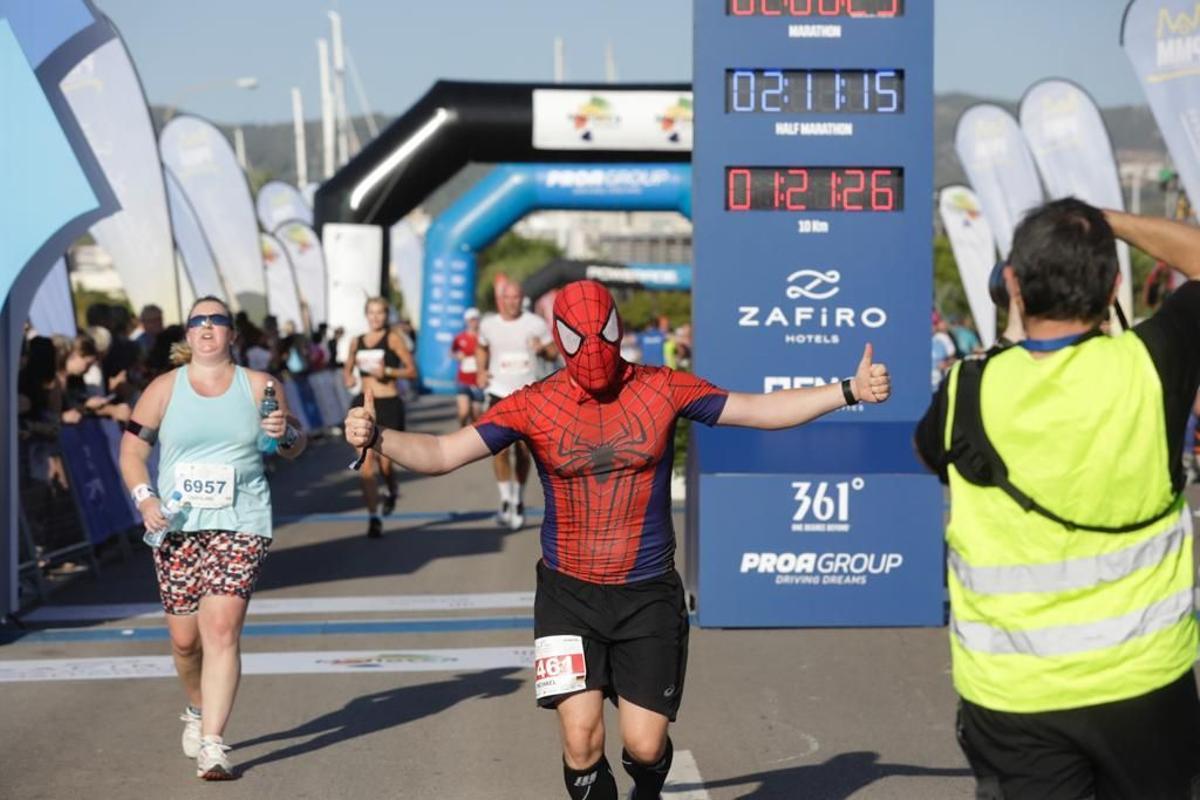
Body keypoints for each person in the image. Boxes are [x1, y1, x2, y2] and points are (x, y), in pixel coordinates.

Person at [346, 279, 891, 800]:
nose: (593, 350)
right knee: (581, 740)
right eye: (579, 339)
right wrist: (379, 436)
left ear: (618, 329)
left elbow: (757, 410)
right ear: (559, 340)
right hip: (568, 595)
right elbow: (443, 454)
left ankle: (648, 787)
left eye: (602, 336)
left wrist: (847, 390)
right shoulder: (532, 403)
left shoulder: (663, 387)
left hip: (647, 594)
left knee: (645, 745)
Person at [915, 199, 1200, 799]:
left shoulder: (967, 390)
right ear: (1114, 283)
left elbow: (928, 456)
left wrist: (1008, 338)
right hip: (1146, 684)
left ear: (1012, 284)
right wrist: (1110, 220)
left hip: (1014, 695)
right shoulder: (1150, 365)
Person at [119, 295, 307, 781]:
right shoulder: (164, 388)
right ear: (187, 334)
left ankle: (213, 744)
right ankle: (198, 708)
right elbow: (131, 451)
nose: (206, 328)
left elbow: (290, 447)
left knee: (221, 628)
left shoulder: (260, 385)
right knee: (185, 641)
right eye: (197, 321)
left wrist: (284, 433)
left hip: (240, 520)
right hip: (177, 525)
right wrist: (145, 499)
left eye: (216, 320)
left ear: (232, 334)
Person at [476, 281, 557, 530]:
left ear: (522, 298)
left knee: (523, 451)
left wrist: (542, 349)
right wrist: (480, 370)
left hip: (527, 394)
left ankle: (519, 499)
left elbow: (554, 352)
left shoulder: (535, 323)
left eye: (517, 297)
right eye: (508, 298)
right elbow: (481, 347)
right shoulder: (488, 324)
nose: (513, 302)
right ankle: (505, 500)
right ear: (500, 299)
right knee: (498, 449)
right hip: (498, 391)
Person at [343, 296, 417, 538]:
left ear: (386, 316)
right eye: (372, 313)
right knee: (366, 465)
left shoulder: (393, 338)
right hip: (364, 405)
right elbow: (348, 368)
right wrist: (349, 378)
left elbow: (411, 371)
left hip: (389, 404)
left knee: (386, 465)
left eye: (380, 313)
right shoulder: (357, 341)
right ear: (366, 315)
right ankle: (373, 517)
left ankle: (392, 490)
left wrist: (386, 370)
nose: (376, 317)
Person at [451, 307, 485, 427]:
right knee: (463, 412)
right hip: (463, 380)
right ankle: (461, 431)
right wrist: (457, 355)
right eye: (471, 320)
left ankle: (472, 440)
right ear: (466, 321)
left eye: (475, 319)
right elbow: (451, 352)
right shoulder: (460, 338)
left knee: (476, 416)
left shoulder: (483, 337)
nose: (473, 322)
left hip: (478, 380)